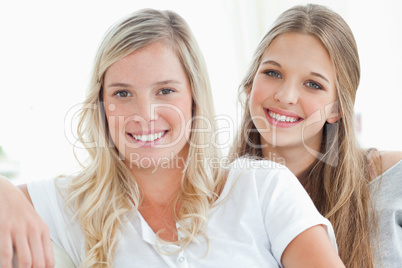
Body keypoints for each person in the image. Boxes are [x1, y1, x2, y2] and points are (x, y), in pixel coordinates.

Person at [0, 8, 345, 268]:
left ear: (194, 97)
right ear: (101, 103)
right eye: (122, 93)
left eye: (165, 90)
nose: (145, 114)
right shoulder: (73, 204)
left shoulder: (263, 188)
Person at [229, 3, 402, 268]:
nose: (285, 96)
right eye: (273, 73)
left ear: (337, 109)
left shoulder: (393, 181)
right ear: (251, 82)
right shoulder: (216, 195)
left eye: (313, 84)